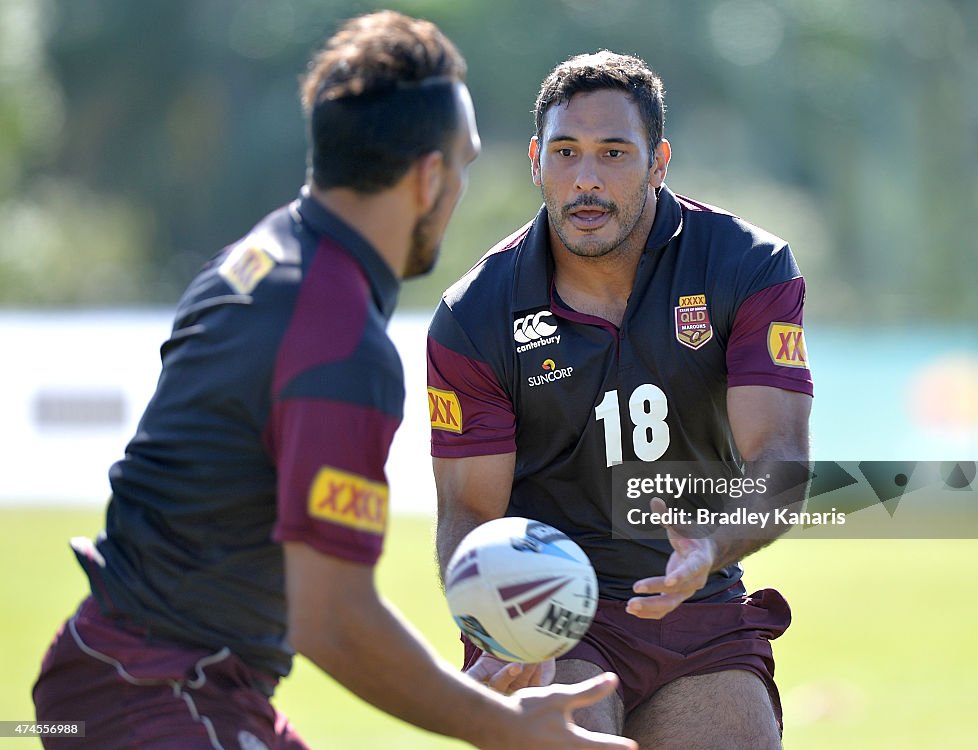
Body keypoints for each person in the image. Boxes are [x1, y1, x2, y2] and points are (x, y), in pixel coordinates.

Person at [33, 14, 638, 750]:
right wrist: (503, 729)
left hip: (152, 681)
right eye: (465, 163)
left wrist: (460, 694)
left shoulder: (258, 258)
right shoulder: (338, 340)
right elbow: (333, 619)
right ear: (429, 176)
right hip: (159, 693)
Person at [427, 50, 813, 749]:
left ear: (659, 161)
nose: (587, 179)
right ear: (535, 161)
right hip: (551, 612)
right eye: (566, 152)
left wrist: (710, 545)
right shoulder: (473, 316)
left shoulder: (747, 267)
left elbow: (780, 459)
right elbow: (468, 510)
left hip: (699, 600)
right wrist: (495, 623)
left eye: (614, 153)